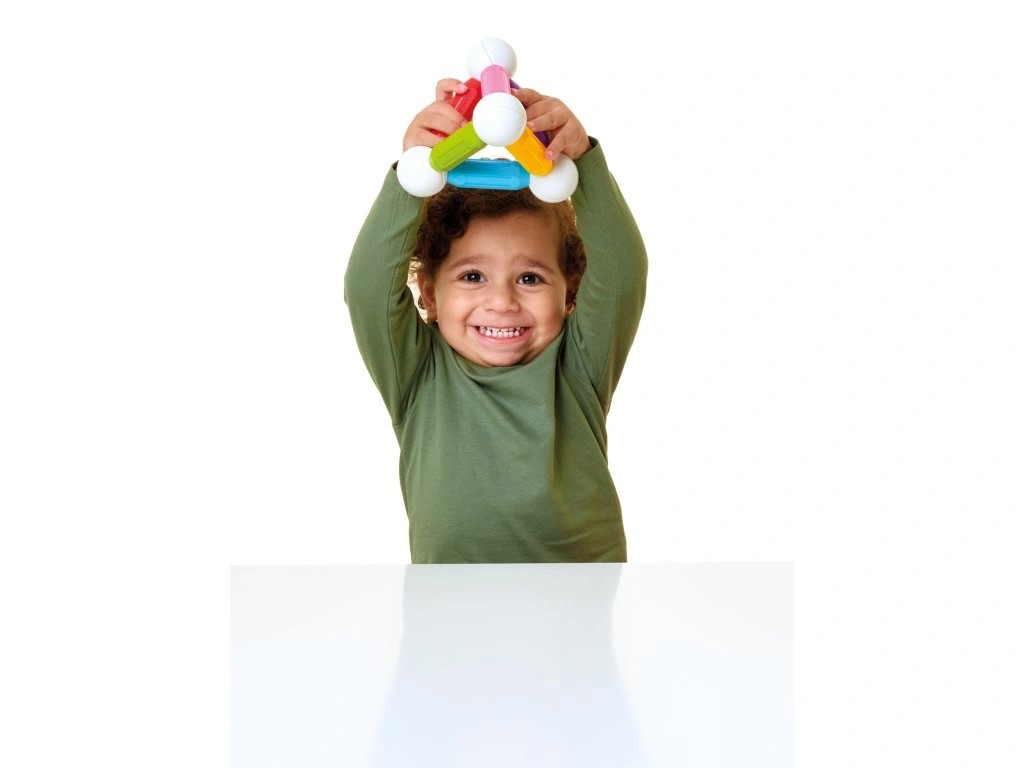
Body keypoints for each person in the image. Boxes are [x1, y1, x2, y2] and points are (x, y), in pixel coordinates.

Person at [345, 79, 647, 563]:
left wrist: (583, 162)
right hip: (449, 599)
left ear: (570, 291)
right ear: (429, 294)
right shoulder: (418, 373)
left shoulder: (579, 364)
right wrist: (413, 174)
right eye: (472, 277)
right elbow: (367, 289)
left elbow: (622, 273)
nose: (502, 302)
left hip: (581, 592)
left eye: (530, 278)